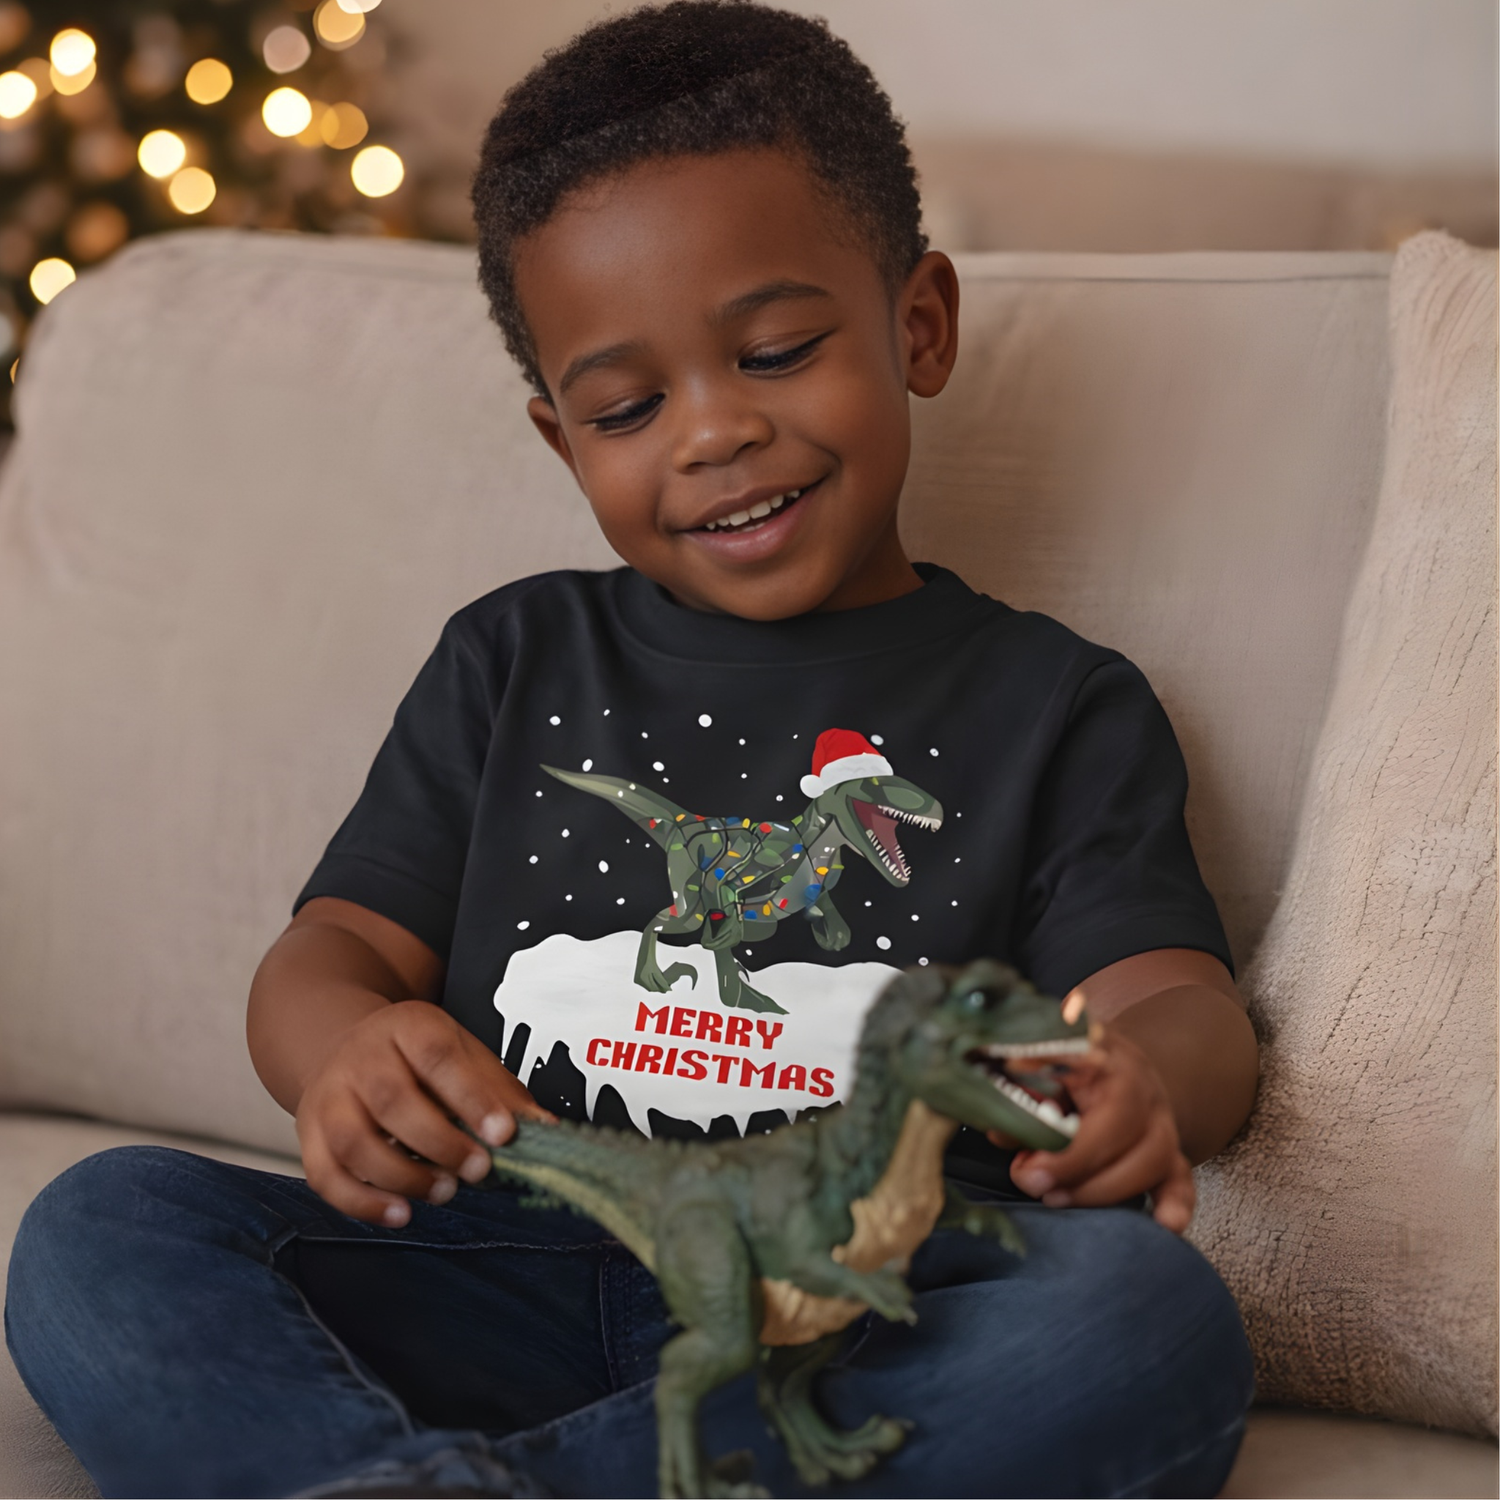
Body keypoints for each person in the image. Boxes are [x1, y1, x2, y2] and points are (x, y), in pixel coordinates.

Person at [5, 4, 1259, 1495]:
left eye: (776, 351)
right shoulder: (511, 658)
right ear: (563, 441)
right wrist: (340, 1051)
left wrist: (1130, 1079)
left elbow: (1183, 1010)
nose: (712, 432)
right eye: (629, 406)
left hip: (856, 1296)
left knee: (1141, 1317)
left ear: (918, 325)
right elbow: (330, 949)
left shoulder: (1060, 704)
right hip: (503, 1255)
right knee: (105, 1224)